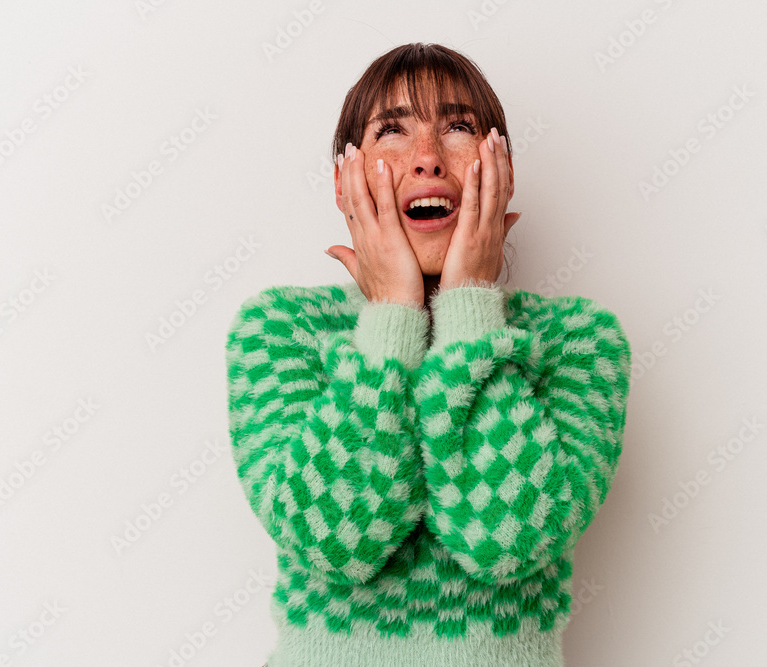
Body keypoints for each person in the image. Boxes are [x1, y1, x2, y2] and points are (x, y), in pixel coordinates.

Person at [225, 42, 632, 667]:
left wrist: (468, 309)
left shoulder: (579, 340)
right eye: (392, 130)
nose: (427, 159)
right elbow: (332, 544)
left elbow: (510, 544)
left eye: (459, 128)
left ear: (502, 172)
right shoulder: (280, 330)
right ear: (343, 182)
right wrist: (392, 314)